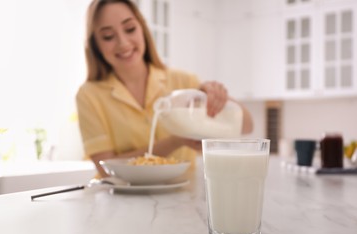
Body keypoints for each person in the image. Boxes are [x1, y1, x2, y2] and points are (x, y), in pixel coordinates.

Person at [76, 0, 253, 177]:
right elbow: (105, 169)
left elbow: (247, 126)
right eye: (108, 36)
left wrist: (220, 98)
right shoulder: (89, 95)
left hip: (181, 199)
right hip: (120, 200)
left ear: (142, 29)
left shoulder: (184, 82)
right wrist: (176, 141)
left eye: (130, 29)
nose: (123, 43)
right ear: (96, 45)